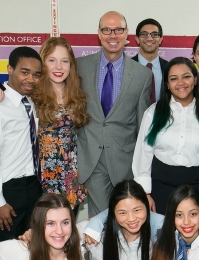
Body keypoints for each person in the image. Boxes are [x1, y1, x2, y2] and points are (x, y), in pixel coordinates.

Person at [77, 11, 153, 216]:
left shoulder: (142, 75)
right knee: (100, 218)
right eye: (107, 30)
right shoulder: (79, 67)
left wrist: (143, 169)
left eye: (118, 30)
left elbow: (142, 126)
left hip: (125, 162)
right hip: (92, 159)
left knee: (126, 219)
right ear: (99, 34)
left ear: (127, 34)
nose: (113, 35)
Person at [132, 57, 199, 215]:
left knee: (190, 237)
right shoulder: (153, 112)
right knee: (159, 236)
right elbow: (143, 154)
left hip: (196, 187)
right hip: (159, 187)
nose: (181, 83)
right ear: (167, 84)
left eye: (186, 76)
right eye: (173, 79)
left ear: (195, 79)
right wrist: (145, 193)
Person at [0, 46, 43, 241]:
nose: (30, 79)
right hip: (8, 191)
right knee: (7, 250)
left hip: (33, 185)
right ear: (9, 69)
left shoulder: (31, 103)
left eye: (36, 74)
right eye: (24, 72)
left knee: (32, 247)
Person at [31, 37, 89, 213]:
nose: (58, 67)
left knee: (66, 232)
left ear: (71, 65)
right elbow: (7, 88)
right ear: (42, 63)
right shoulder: (32, 94)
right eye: (51, 60)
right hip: (42, 179)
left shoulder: (78, 94)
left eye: (64, 61)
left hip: (71, 179)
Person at [132, 18, 169, 104]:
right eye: (144, 34)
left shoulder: (169, 68)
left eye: (154, 34)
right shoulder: (126, 67)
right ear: (137, 39)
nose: (149, 38)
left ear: (160, 39)